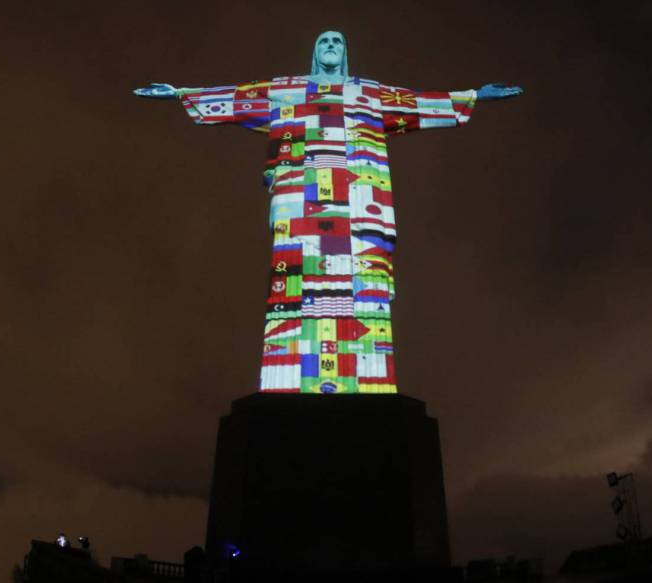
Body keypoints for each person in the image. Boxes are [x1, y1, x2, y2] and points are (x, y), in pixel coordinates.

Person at [136, 31, 521, 393]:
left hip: (359, 201)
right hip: (300, 199)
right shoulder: (287, 89)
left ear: (346, 51)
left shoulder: (368, 91)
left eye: (338, 40)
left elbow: (417, 102)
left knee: (364, 283)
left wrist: (473, 96)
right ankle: (287, 379)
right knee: (295, 283)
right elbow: (237, 97)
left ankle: (367, 380)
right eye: (325, 41)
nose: (332, 45)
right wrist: (180, 94)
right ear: (315, 51)